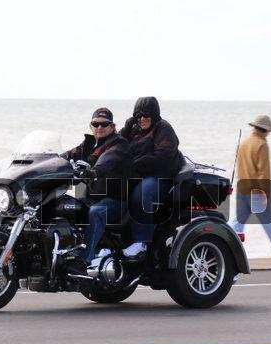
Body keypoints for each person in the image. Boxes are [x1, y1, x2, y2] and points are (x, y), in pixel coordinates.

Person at [62, 107, 131, 274]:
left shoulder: (119, 143)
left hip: (115, 199)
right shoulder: (87, 144)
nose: (100, 127)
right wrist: (47, 163)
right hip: (91, 195)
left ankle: (83, 261)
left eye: (104, 124)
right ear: (90, 126)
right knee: (61, 204)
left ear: (112, 126)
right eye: (96, 124)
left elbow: (107, 160)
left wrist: (93, 171)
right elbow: (67, 156)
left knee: (96, 212)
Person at [119, 97, 183, 258]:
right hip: (139, 175)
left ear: (154, 115)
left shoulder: (163, 128)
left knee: (142, 193)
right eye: (138, 116)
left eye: (146, 115)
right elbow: (115, 144)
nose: (142, 119)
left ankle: (142, 242)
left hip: (161, 177)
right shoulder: (134, 130)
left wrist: (136, 164)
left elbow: (164, 155)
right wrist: (126, 128)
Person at [230, 115, 271, 261]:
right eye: (268, 131)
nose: (269, 134)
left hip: (241, 189)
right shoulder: (261, 145)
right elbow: (263, 172)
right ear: (265, 130)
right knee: (269, 222)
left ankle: (227, 248)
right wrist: (266, 193)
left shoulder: (243, 143)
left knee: (237, 223)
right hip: (256, 192)